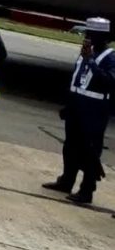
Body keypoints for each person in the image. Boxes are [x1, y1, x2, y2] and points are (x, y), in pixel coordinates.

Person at [42, 18, 114, 205]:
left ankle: (86, 190)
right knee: (70, 147)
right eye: (87, 34)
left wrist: (91, 61)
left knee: (90, 151)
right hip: (77, 108)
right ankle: (66, 181)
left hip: (94, 112)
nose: (87, 38)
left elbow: (109, 82)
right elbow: (78, 80)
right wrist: (69, 105)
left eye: (92, 35)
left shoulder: (109, 57)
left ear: (104, 37)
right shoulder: (84, 53)